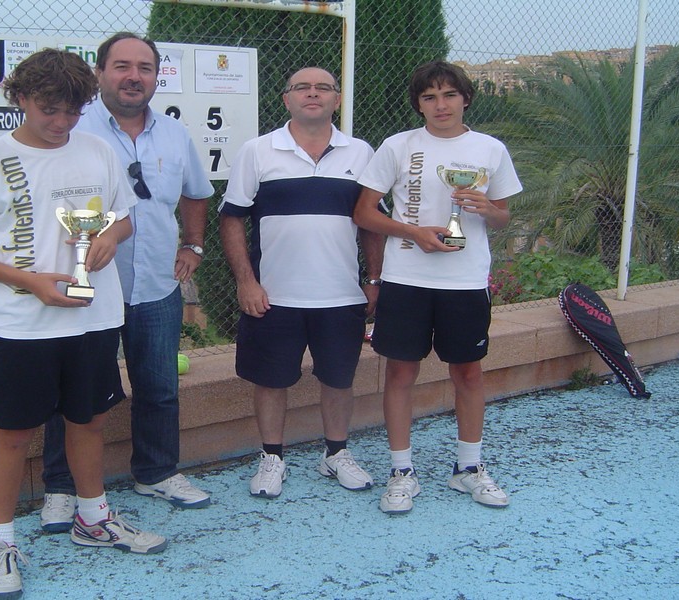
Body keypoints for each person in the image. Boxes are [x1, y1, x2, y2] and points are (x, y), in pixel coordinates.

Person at [0, 49, 167, 599]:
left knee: (89, 421)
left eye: (73, 111)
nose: (62, 123)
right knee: (14, 433)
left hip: (94, 317)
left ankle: (94, 518)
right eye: (49, 110)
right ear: (20, 98)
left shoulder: (98, 150)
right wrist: (29, 280)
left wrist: (109, 236)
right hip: (21, 324)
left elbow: (124, 218)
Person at [39, 32, 214, 532]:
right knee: (71, 393)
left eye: (144, 67)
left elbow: (196, 192)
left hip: (156, 283)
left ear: (156, 77)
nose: (133, 77)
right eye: (121, 66)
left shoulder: (175, 134)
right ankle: (61, 487)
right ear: (100, 73)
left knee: (159, 387)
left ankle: (157, 472)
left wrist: (193, 245)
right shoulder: (72, 129)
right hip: (87, 291)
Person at [352, 60, 523, 515]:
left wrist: (487, 208)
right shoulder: (398, 145)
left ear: (465, 99)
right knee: (400, 374)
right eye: (429, 97)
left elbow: (503, 217)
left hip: (465, 282)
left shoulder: (490, 149)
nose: (440, 104)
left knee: (468, 373)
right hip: (406, 279)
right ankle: (401, 472)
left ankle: (468, 467)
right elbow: (364, 213)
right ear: (419, 104)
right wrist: (414, 232)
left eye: (449, 95)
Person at [219, 67, 381, 499]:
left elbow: (370, 223)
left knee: (339, 379)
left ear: (337, 100)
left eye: (323, 88)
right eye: (302, 88)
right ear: (286, 99)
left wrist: (374, 278)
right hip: (273, 297)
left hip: (341, 295)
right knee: (270, 381)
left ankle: (336, 454)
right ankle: (272, 457)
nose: (313, 94)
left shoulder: (361, 152)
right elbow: (232, 218)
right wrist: (246, 282)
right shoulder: (257, 151)